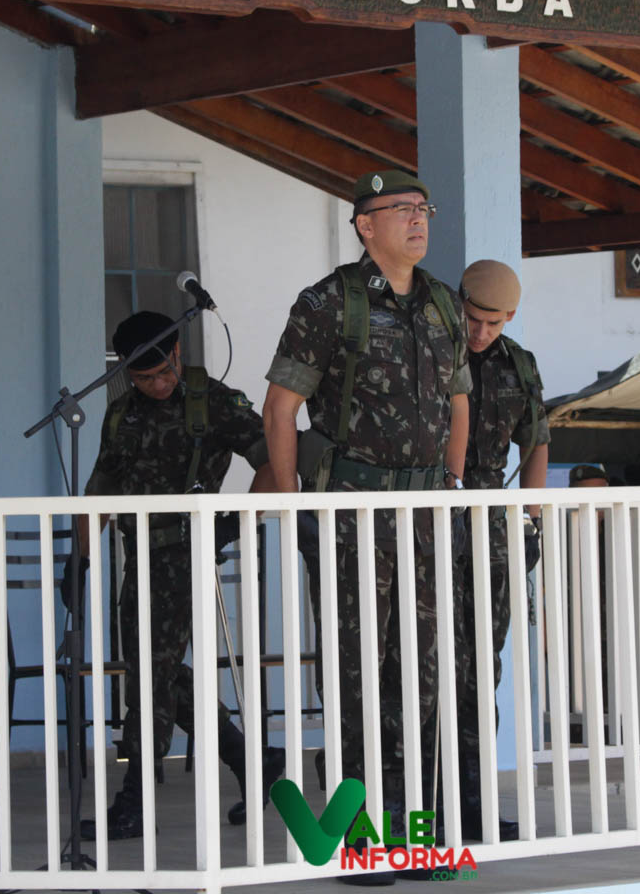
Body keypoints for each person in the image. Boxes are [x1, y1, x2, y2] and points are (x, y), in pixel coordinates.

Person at [262, 168, 469, 863]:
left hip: (426, 519)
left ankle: (416, 835)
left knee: (425, 680)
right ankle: (358, 835)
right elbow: (281, 409)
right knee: (358, 678)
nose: (418, 218)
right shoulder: (328, 303)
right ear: (365, 225)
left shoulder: (444, 304)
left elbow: (459, 403)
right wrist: (292, 505)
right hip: (351, 517)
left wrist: (454, 486)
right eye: (402, 208)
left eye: (423, 207)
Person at [84, 311, 283, 839]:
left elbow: (272, 461)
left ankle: (136, 798)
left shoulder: (212, 401)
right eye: (142, 377)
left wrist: (233, 524)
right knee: (158, 671)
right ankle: (249, 758)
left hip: (184, 555)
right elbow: (100, 489)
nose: (157, 384)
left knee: (150, 675)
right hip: (138, 557)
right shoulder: (121, 413)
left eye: (162, 371)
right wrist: (79, 558)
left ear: (177, 353)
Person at [448, 258, 549, 841]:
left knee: (481, 670)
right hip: (433, 517)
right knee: (431, 671)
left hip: (491, 531)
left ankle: (474, 802)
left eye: (494, 323)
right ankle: (428, 806)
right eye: (473, 319)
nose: (481, 332)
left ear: (510, 317)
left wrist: (530, 521)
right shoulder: (435, 349)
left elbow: (536, 443)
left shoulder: (520, 364)